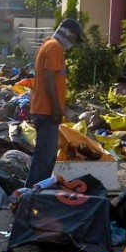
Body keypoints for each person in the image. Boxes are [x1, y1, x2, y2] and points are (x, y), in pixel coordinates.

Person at [24, 17, 84, 188]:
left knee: (47, 156)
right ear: (69, 33)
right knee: (44, 156)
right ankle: (30, 195)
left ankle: (37, 193)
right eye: (74, 38)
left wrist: (63, 109)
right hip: (47, 110)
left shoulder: (48, 44)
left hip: (44, 109)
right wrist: (57, 109)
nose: (72, 43)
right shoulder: (55, 47)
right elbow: (49, 77)